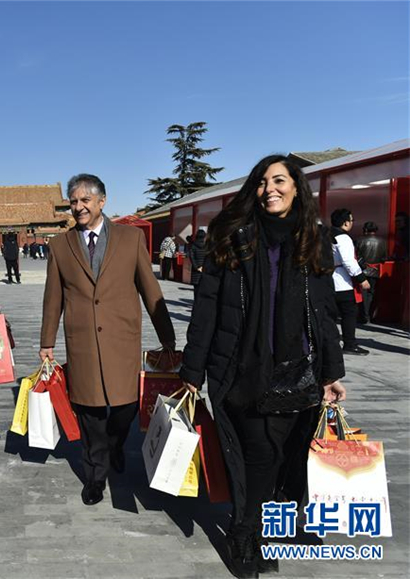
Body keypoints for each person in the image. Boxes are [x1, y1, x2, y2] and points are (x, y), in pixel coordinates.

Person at [180, 155, 346, 578]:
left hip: (297, 368)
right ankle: (243, 533)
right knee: (257, 452)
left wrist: (333, 372)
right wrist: (192, 371)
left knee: (277, 456)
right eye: (262, 181)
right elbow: (207, 306)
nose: (269, 188)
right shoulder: (231, 235)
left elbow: (325, 311)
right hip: (241, 366)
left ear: (296, 188)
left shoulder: (314, 239)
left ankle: (256, 528)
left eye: (279, 180)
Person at [40, 173, 175, 507]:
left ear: (102, 201)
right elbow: (53, 297)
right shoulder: (60, 246)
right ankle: (95, 475)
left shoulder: (130, 240)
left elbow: (150, 290)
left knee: (125, 407)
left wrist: (167, 337)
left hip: (121, 340)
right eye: (73, 201)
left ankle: (116, 444)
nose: (78, 207)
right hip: (82, 340)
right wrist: (47, 342)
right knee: (89, 413)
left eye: (85, 200)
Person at [330, 208, 370, 355]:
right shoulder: (344, 238)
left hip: (329, 280)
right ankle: (350, 343)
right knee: (349, 314)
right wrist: (362, 279)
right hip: (343, 282)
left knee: (330, 316)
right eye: (351, 220)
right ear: (346, 222)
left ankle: (329, 343)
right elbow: (349, 262)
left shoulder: (327, 235)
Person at [356, 221, 387, 324]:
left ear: (365, 230)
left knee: (362, 293)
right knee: (371, 293)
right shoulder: (382, 241)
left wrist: (363, 264)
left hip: (362, 270)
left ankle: (364, 315)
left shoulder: (359, 240)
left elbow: (356, 256)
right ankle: (368, 315)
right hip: (375, 271)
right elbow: (384, 258)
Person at [188, 229, 208, 298]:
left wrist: (196, 267)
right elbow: (208, 257)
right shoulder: (207, 246)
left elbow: (191, 257)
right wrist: (204, 266)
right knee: (203, 288)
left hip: (196, 270)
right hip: (204, 269)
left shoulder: (193, 246)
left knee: (196, 289)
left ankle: (196, 303)